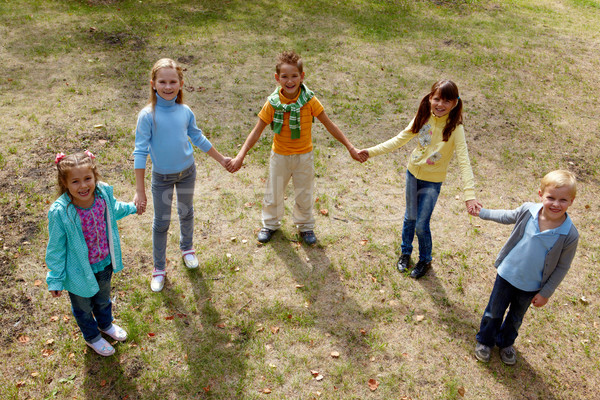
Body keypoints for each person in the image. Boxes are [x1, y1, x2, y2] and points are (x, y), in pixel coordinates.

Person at [229, 50, 365, 245]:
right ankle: (270, 224)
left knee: (304, 193)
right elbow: (257, 130)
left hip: (304, 156)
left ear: (302, 77)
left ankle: (305, 226)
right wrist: (240, 155)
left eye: (294, 76)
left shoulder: (309, 101)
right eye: (285, 76)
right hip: (280, 156)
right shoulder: (273, 103)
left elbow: (329, 125)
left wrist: (350, 147)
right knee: (274, 192)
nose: (290, 81)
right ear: (277, 78)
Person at [358, 80, 480, 279]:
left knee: (422, 224)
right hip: (412, 174)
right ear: (430, 98)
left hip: (432, 182)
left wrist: (470, 196)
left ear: (455, 103)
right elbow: (399, 139)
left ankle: (425, 259)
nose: (440, 104)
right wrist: (370, 152)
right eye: (437, 99)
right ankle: (405, 252)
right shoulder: (422, 117)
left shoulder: (456, 129)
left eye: (446, 101)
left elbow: (464, 161)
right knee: (410, 217)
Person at [133, 58, 233, 292]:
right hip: (162, 178)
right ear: (153, 84)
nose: (168, 87)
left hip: (187, 173)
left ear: (180, 83)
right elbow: (140, 151)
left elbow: (197, 137)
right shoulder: (147, 116)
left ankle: (187, 248)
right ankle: (159, 268)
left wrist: (222, 159)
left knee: (186, 212)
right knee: (161, 222)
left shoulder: (185, 111)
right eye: (162, 82)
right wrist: (140, 190)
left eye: (172, 81)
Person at [473, 170, 578, 365]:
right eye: (551, 197)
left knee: (515, 318)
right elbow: (506, 216)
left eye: (563, 200)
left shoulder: (569, 234)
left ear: (571, 201)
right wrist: (482, 212)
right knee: (494, 312)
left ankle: (505, 342)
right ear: (540, 195)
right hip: (507, 275)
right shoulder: (528, 211)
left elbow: (563, 267)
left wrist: (546, 292)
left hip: (531, 285)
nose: (556, 204)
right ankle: (485, 341)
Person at [46, 151, 138, 356]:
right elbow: (56, 248)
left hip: (104, 263)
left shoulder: (102, 195)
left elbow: (114, 209)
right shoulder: (61, 212)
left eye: (88, 179)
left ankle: (105, 325)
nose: (83, 186)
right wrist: (55, 278)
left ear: (95, 177)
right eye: (75, 181)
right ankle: (91, 337)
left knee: (103, 299)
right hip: (78, 271)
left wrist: (132, 207)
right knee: (83, 307)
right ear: (65, 183)